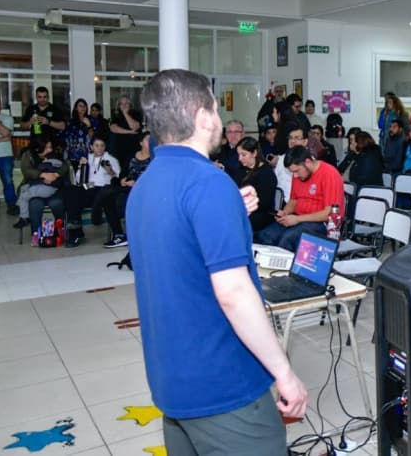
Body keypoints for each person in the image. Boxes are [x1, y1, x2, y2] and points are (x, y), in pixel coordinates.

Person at [128, 69, 307, 454]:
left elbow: (179, 253)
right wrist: (284, 373)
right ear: (202, 116)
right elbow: (233, 294)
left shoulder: (145, 185)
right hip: (224, 387)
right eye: (214, 106)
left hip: (174, 382)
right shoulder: (209, 183)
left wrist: (227, 216)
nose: (220, 119)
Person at [255, 145, 345, 251]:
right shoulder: (299, 174)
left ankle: (286, 267)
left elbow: (328, 214)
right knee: (265, 236)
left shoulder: (329, 174)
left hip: (322, 224)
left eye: (297, 171)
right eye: (293, 172)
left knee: (288, 239)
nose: (295, 176)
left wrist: (297, 219)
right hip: (299, 218)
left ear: (307, 162)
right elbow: (293, 201)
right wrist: (285, 212)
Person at [61, 137, 121, 247]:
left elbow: (117, 178)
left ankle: (96, 212)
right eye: (96, 145)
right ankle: (75, 231)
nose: (99, 148)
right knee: (71, 191)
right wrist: (81, 166)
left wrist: (110, 171)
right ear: (91, 147)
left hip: (104, 187)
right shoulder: (87, 158)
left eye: (102, 145)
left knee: (102, 192)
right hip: (89, 186)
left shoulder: (111, 159)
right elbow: (79, 180)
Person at [101, 131, 152, 248]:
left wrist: (137, 183)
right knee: (108, 198)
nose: (150, 142)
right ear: (140, 142)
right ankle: (119, 234)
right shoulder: (131, 156)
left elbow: (154, 177)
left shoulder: (155, 158)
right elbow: (123, 173)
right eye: (147, 139)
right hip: (127, 187)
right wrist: (122, 180)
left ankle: (134, 233)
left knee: (121, 199)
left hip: (144, 190)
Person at [13, 136, 68, 242]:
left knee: (56, 203)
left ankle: (59, 230)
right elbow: (27, 171)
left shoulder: (55, 154)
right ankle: (36, 233)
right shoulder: (28, 155)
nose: (50, 150)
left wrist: (55, 175)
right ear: (38, 149)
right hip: (35, 187)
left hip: (54, 188)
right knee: (35, 205)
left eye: (50, 147)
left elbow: (64, 166)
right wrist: (42, 175)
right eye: (47, 148)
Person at [237, 136, 278, 233]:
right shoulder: (241, 169)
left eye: (243, 155)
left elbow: (263, 203)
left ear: (254, 153)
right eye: (238, 155)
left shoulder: (266, 173)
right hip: (244, 209)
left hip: (261, 214)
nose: (240, 158)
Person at [272, 123, 307, 203]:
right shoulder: (280, 160)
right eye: (290, 138)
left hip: (301, 205)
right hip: (281, 205)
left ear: (305, 141)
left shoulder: (310, 162)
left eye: (297, 138)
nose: (293, 141)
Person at [109, 95, 142, 176]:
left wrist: (125, 114)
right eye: (121, 103)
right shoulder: (115, 114)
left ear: (130, 104)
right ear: (118, 105)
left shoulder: (136, 113)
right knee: (122, 171)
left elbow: (134, 126)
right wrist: (129, 132)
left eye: (126, 103)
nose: (124, 105)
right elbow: (113, 128)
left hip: (134, 147)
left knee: (133, 171)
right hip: (120, 147)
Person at [0, 95, 19, 215]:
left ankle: (11, 205)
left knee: (8, 181)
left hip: (5, 155)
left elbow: (6, 133)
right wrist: (4, 138)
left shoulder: (7, 118)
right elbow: (5, 136)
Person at [215, 120, 246, 185]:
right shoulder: (221, 148)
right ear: (225, 134)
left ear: (243, 134)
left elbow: (235, 167)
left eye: (236, 132)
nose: (233, 135)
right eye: (229, 132)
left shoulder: (248, 148)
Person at [63, 98, 92, 165]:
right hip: (73, 155)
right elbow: (66, 138)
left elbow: (93, 137)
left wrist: (89, 125)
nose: (83, 108)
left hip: (87, 154)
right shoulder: (70, 122)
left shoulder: (90, 120)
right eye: (80, 106)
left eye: (84, 106)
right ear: (76, 108)